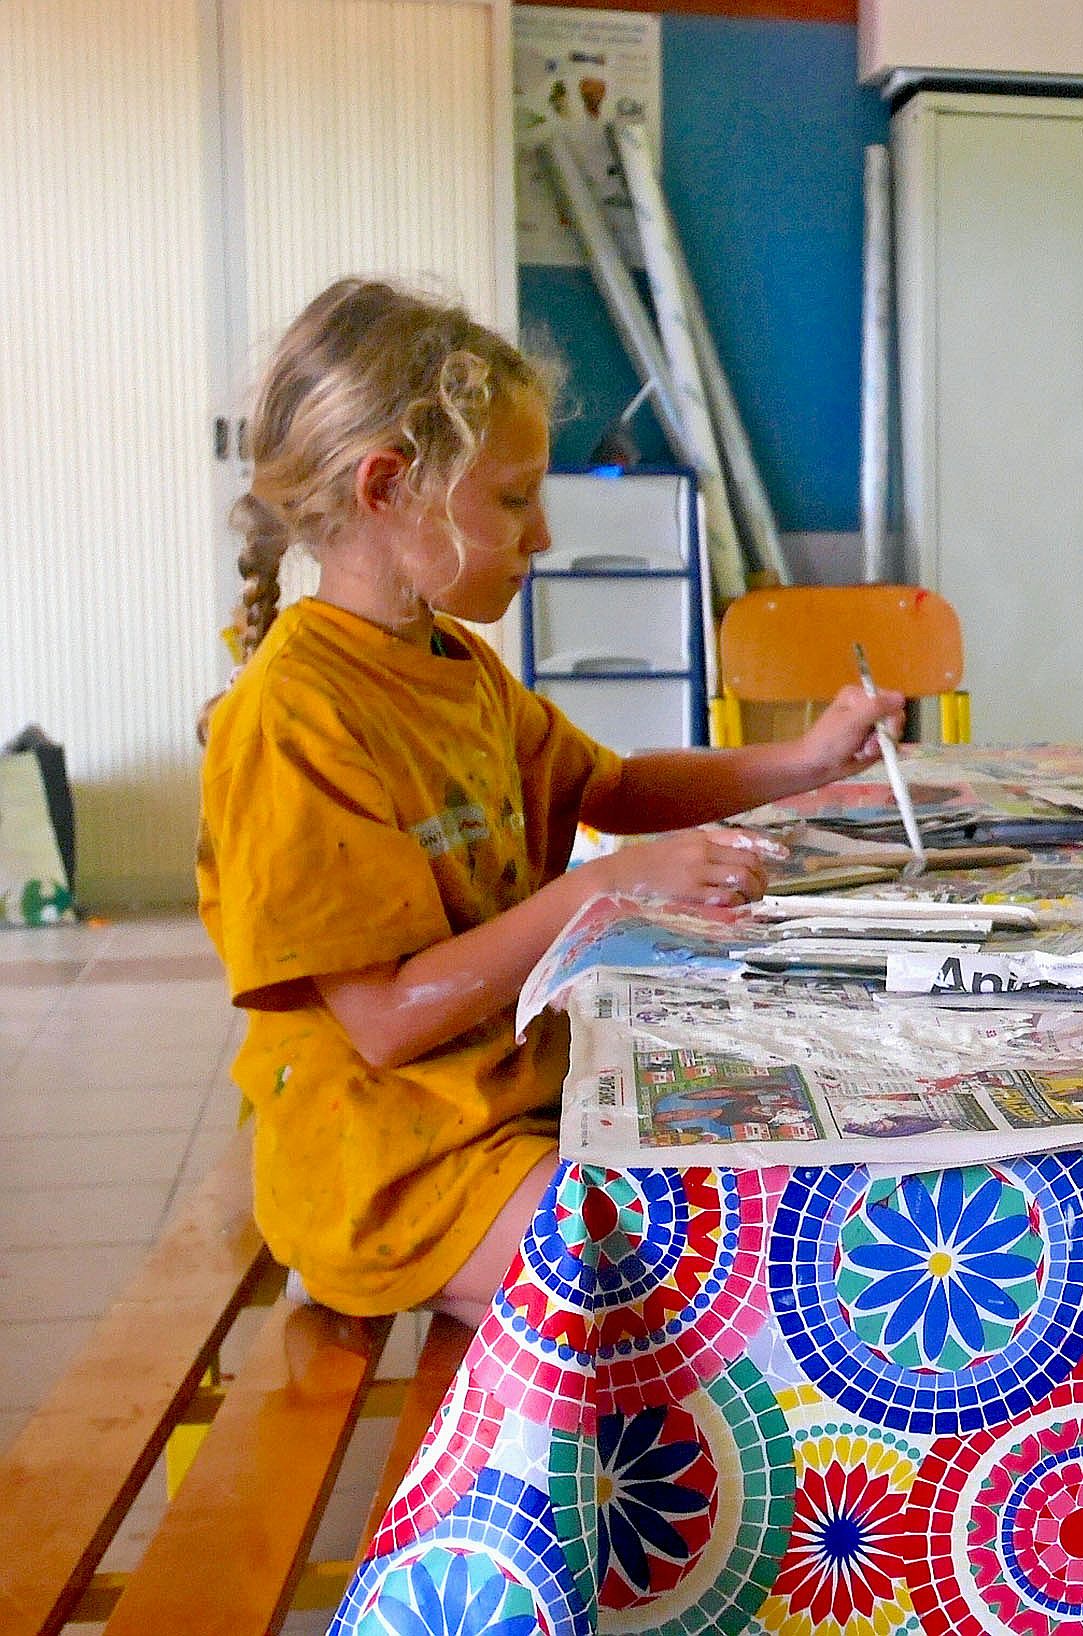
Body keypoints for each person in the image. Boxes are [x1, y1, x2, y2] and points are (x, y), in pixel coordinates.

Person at [196, 279, 904, 1324]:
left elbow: (609, 786)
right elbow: (388, 1020)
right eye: (516, 497)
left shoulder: (455, 665)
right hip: (392, 1170)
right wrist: (603, 890)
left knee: (767, 1182)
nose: (543, 533)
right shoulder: (292, 718)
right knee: (685, 1281)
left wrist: (803, 760)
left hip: (503, 1108)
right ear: (389, 488)